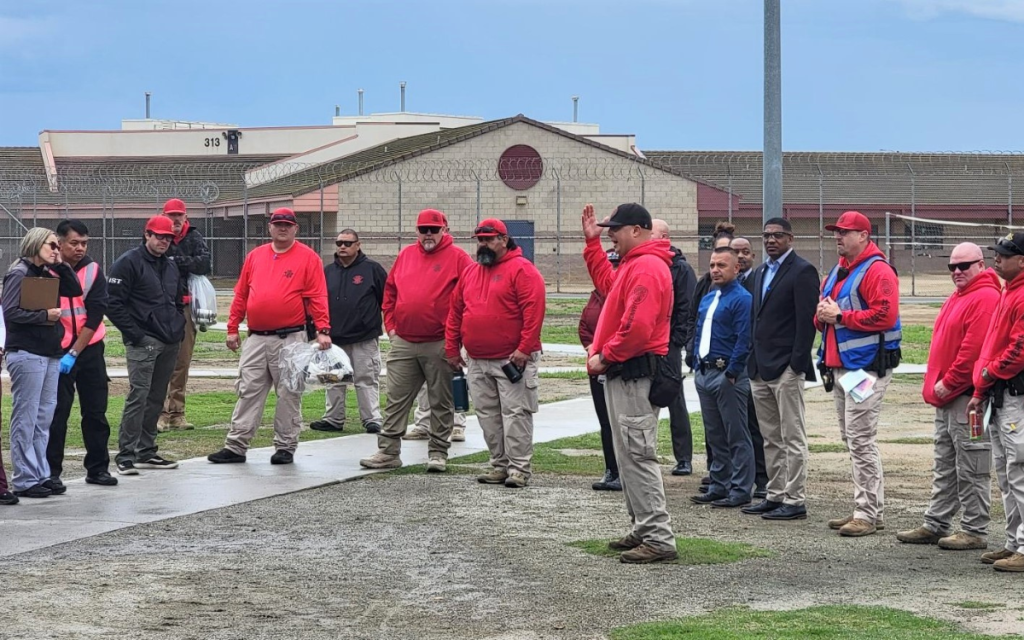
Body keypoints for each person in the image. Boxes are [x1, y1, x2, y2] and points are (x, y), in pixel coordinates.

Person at [582, 202, 678, 564]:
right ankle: (643, 526)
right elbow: (608, 287)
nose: (611, 235)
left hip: (634, 371)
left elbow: (637, 328)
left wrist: (605, 356)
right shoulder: (636, 264)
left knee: (638, 455)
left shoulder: (648, 267)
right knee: (628, 454)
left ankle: (658, 536)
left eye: (616, 229)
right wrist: (592, 246)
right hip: (626, 372)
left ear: (637, 230)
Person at [207, 208, 331, 465]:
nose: (282, 228)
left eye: (287, 224)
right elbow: (241, 294)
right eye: (278, 224)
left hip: (290, 338)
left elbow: (317, 296)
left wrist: (323, 330)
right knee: (248, 389)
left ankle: (285, 446)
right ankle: (236, 445)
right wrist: (232, 328)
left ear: (296, 228)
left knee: (288, 391)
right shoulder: (256, 256)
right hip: (256, 337)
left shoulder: (308, 258)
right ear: (270, 228)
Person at [897, 243, 998, 550]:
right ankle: (937, 522)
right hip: (949, 397)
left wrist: (949, 382)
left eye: (964, 266)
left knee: (972, 464)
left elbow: (972, 350)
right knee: (945, 462)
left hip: (967, 397)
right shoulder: (960, 296)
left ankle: (974, 529)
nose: (957, 272)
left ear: (980, 264)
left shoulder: (985, 297)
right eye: (952, 267)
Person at [359, 209, 472, 471]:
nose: (428, 234)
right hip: (405, 341)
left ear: (446, 229)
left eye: (434, 229)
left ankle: (438, 452)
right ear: (417, 231)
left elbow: (470, 297)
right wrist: (392, 328)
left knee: (441, 400)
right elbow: (390, 293)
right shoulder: (406, 255)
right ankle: (388, 452)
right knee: (396, 399)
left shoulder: (459, 258)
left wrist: (456, 338)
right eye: (423, 229)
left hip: (440, 342)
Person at [816, 211, 901, 538]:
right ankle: (869, 509)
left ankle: (866, 513)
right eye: (836, 232)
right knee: (852, 438)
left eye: (845, 232)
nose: (838, 237)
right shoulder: (839, 270)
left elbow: (885, 314)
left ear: (864, 236)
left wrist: (840, 316)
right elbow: (826, 315)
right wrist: (823, 315)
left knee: (861, 439)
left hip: (866, 368)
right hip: (843, 368)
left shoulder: (877, 270)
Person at [446, 219, 546, 487]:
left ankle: (519, 469)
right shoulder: (471, 272)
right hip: (478, 360)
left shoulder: (523, 270)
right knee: (487, 415)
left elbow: (533, 313)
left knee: (515, 414)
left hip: (512, 360)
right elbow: (456, 311)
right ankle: (499, 464)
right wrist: (452, 348)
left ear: (504, 239)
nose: (484, 244)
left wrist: (524, 349)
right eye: (480, 239)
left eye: (489, 239)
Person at [742, 218, 819, 521]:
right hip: (759, 367)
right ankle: (774, 494)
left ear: (790, 238)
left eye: (777, 236)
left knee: (792, 435)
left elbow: (806, 322)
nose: (771, 240)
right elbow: (756, 319)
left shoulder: (802, 271)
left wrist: (795, 364)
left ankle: (795, 498)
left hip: (786, 367)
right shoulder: (761, 272)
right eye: (766, 236)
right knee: (770, 436)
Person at [2, 228, 83, 498]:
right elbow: (11, 312)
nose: (56, 250)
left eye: (58, 247)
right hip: (27, 352)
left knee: (43, 416)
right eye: (52, 246)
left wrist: (61, 265)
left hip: (49, 352)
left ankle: (40, 473)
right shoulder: (19, 273)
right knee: (26, 416)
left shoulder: (47, 273)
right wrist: (43, 315)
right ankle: (24, 478)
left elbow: (74, 290)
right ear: (36, 244)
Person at [107, 216, 185, 476]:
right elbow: (113, 303)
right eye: (159, 236)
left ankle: (146, 450)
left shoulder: (171, 266)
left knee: (155, 397)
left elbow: (176, 301)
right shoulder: (128, 262)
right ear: (147, 235)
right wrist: (136, 335)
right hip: (144, 340)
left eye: (168, 238)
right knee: (138, 396)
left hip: (169, 338)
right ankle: (126, 453)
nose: (164, 241)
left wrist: (177, 329)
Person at [46, 220, 119, 489]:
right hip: (57, 350)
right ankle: (51, 472)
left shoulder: (93, 271)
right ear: (60, 243)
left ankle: (98, 469)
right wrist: (64, 351)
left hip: (88, 350)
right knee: (57, 414)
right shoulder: (47, 270)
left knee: (96, 412)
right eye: (74, 243)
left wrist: (75, 352)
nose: (80, 248)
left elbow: (95, 315)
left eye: (84, 243)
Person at [967, 232, 1024, 572]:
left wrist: (988, 372)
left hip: (1016, 393)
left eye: (1005, 254)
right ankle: (1014, 541)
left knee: (1019, 469)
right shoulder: (1009, 292)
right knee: (1005, 471)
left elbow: (1019, 350)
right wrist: (981, 388)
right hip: (1001, 393)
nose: (997, 259)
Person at [690, 247, 754, 509]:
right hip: (705, 372)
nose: (715, 270)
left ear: (736, 268)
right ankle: (719, 484)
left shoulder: (742, 298)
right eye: (713, 265)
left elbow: (744, 338)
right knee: (714, 434)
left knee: (736, 434)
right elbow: (698, 330)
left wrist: (732, 372)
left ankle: (740, 489)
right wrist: (694, 360)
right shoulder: (709, 297)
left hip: (727, 374)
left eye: (722, 265)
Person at [309, 229, 388, 435]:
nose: (342, 247)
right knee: (333, 379)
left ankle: (372, 419)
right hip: (334, 338)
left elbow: (386, 300)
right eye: (339, 243)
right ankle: (333, 419)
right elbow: (318, 301)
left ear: (358, 245)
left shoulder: (372, 269)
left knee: (366, 379)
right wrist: (318, 330)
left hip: (363, 337)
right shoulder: (328, 271)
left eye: (347, 243)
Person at [686, 221, 735, 492]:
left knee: (734, 428)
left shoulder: (740, 290)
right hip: (704, 365)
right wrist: (692, 352)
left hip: (728, 367)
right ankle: (716, 471)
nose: (718, 264)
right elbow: (694, 318)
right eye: (717, 253)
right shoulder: (704, 284)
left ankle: (736, 479)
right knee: (712, 427)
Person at [157, 198, 211, 432]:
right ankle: (158, 412)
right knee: (160, 361)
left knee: (182, 360)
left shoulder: (194, 237)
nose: (175, 219)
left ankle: (176, 413)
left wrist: (175, 262)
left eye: (179, 215)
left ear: (185, 215)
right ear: (164, 215)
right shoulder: (157, 237)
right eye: (171, 215)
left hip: (186, 305)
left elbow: (205, 264)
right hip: (162, 305)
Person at [652, 219, 697, 477]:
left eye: (652, 234)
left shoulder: (681, 269)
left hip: (668, 345)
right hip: (647, 343)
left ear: (664, 237)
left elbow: (686, 309)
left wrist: (675, 341)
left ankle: (684, 458)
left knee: (674, 399)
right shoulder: (645, 264)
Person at [730, 236, 769, 498]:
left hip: (752, 364)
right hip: (728, 363)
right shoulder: (718, 284)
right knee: (733, 425)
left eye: (746, 252)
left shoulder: (758, 282)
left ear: (753, 256)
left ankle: (763, 478)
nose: (742, 256)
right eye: (737, 252)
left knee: (756, 424)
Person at [582, 249, 621, 491]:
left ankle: (626, 472)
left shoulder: (621, 293)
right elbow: (584, 327)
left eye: (616, 265)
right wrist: (590, 348)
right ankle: (611, 469)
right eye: (609, 265)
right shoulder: (595, 296)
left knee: (621, 421)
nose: (612, 270)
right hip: (596, 366)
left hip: (618, 364)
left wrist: (606, 355)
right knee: (605, 422)